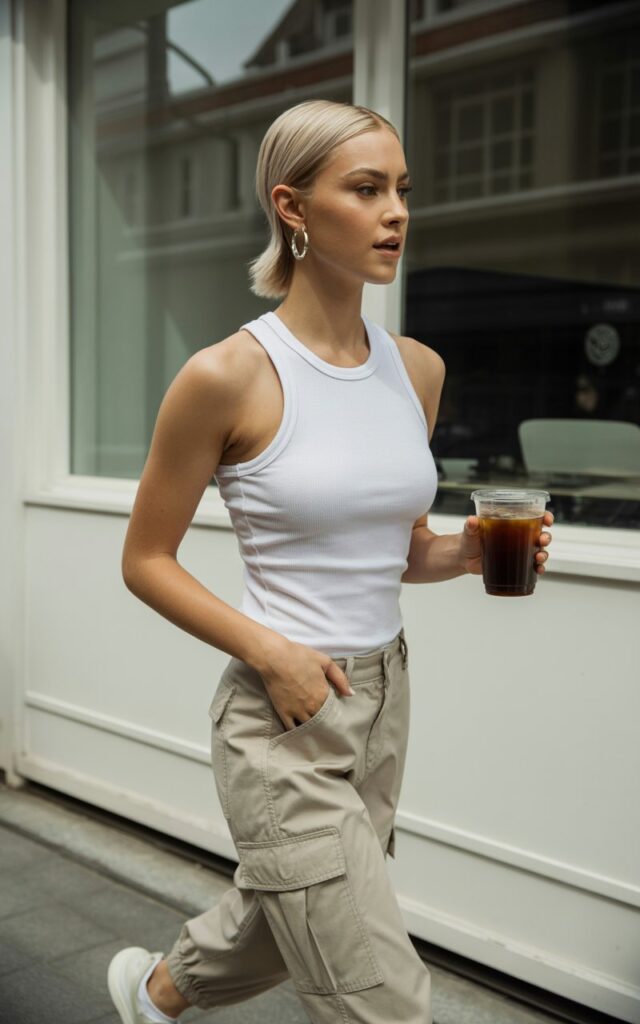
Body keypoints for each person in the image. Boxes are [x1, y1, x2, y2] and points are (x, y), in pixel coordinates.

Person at [107, 98, 554, 1024]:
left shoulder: (416, 370)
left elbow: (392, 553)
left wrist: (465, 553)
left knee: (292, 911)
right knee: (380, 995)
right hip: (282, 715)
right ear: (293, 206)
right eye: (366, 188)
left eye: (402, 190)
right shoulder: (228, 375)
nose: (396, 211)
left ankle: (155, 996)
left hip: (382, 698)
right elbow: (145, 560)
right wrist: (270, 653)